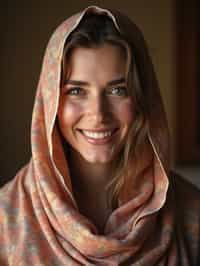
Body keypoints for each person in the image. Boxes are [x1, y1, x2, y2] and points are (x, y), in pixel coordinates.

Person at [0, 5, 199, 265]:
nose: (98, 114)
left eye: (117, 90)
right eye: (76, 91)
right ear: (50, 103)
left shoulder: (191, 215)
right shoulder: (5, 221)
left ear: (142, 98)